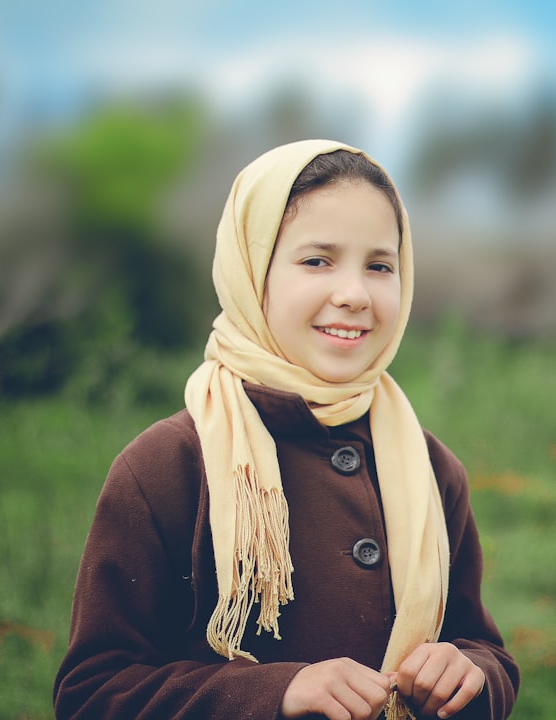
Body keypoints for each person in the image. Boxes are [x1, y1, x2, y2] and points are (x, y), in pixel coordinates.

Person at [53, 139, 519, 720]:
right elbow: (94, 693)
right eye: (316, 260)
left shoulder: (429, 467)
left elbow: (482, 650)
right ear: (251, 272)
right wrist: (276, 694)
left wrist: (470, 675)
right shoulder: (168, 464)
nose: (352, 294)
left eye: (379, 265)